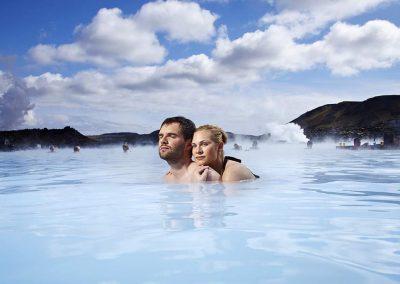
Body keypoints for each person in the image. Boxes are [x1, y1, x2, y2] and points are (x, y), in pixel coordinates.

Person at [158, 116, 219, 183]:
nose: (163, 141)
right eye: (161, 136)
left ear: (189, 144)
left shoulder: (207, 175)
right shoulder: (167, 178)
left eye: (172, 136)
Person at [191, 125, 258, 182]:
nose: (198, 151)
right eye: (194, 145)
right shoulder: (199, 170)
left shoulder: (232, 172)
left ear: (220, 146)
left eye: (204, 144)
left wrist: (200, 186)